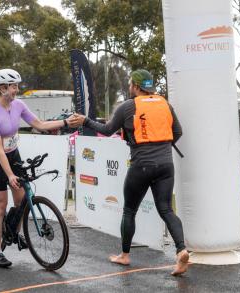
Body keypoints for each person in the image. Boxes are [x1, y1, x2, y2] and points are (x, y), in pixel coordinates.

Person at [73, 69, 190, 276]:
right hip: (165, 165)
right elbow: (178, 132)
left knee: (129, 211)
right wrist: (161, 145)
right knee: (166, 209)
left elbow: (108, 129)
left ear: (136, 87)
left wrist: (85, 121)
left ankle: (125, 255)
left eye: (130, 84)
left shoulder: (128, 106)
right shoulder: (165, 104)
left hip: (141, 165)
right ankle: (181, 249)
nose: (129, 88)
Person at [0, 69, 78, 268]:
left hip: (13, 154)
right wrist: (9, 174)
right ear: (1, 88)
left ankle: (14, 233)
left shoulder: (18, 105)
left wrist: (65, 122)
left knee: (21, 200)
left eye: (17, 86)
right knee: (0, 205)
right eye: (13, 86)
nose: (16, 90)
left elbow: (40, 124)